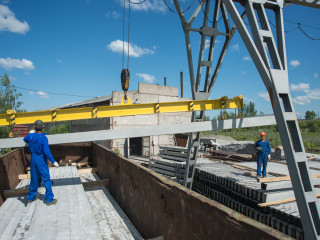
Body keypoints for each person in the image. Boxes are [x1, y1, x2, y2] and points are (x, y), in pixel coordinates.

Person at [24, 120, 59, 205]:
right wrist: (53, 161)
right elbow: (47, 152)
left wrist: (31, 133)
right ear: (42, 128)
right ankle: (49, 199)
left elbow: (25, 139)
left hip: (33, 158)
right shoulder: (44, 138)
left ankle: (31, 197)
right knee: (46, 179)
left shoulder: (31, 136)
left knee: (34, 178)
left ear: (34, 127)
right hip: (41, 158)